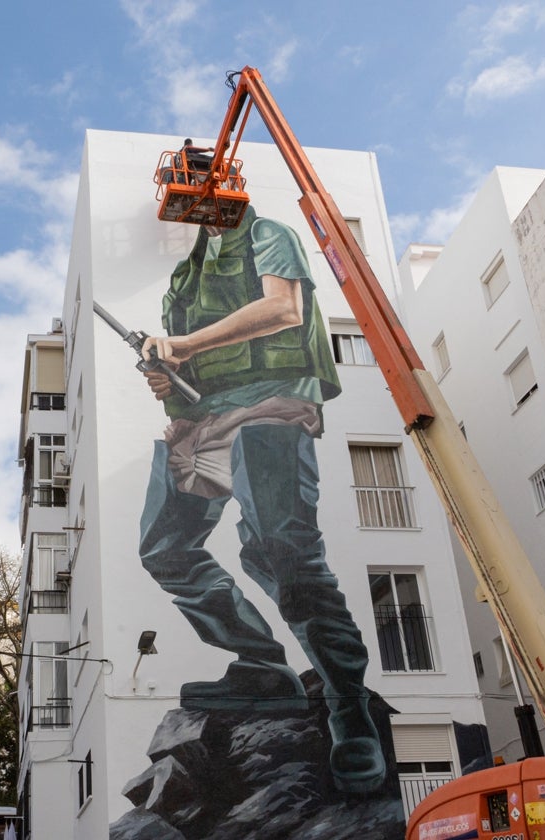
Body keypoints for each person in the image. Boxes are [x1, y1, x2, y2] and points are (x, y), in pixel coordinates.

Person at [137, 204, 385, 794]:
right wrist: (164, 374)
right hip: (202, 415)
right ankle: (263, 665)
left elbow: (283, 308)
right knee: (166, 548)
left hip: (271, 400)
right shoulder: (185, 274)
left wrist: (183, 342)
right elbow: (180, 362)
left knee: (279, 550)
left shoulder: (267, 234)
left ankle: (349, 707)